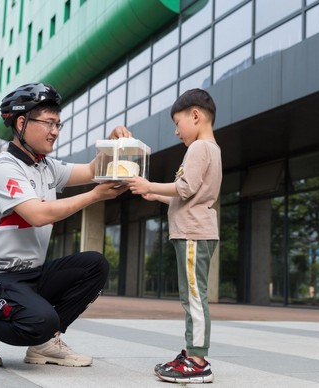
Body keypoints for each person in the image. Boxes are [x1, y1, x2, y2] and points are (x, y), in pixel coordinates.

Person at [0, 82, 130, 368]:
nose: (55, 131)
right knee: (41, 319)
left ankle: (44, 343)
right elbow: (38, 214)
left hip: (31, 276)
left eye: (58, 124)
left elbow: (91, 170)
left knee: (94, 265)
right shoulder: (4, 168)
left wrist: (113, 145)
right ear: (22, 123)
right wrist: (95, 196)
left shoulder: (47, 167)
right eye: (49, 123)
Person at [126, 88, 221, 384]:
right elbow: (188, 195)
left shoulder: (199, 149)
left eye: (178, 123)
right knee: (191, 295)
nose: (176, 131)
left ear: (195, 115)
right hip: (194, 230)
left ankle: (197, 361)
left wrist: (149, 183)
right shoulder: (211, 149)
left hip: (193, 232)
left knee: (194, 297)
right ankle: (193, 354)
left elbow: (184, 188)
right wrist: (154, 194)